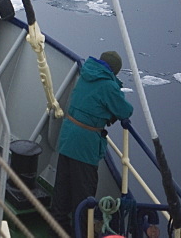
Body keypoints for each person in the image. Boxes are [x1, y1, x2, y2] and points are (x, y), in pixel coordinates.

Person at [50, 51, 134, 235]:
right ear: (114, 71)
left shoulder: (87, 73)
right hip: (85, 145)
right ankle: (80, 232)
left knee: (62, 188)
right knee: (83, 195)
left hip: (68, 138)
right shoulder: (108, 85)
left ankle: (56, 229)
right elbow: (125, 111)